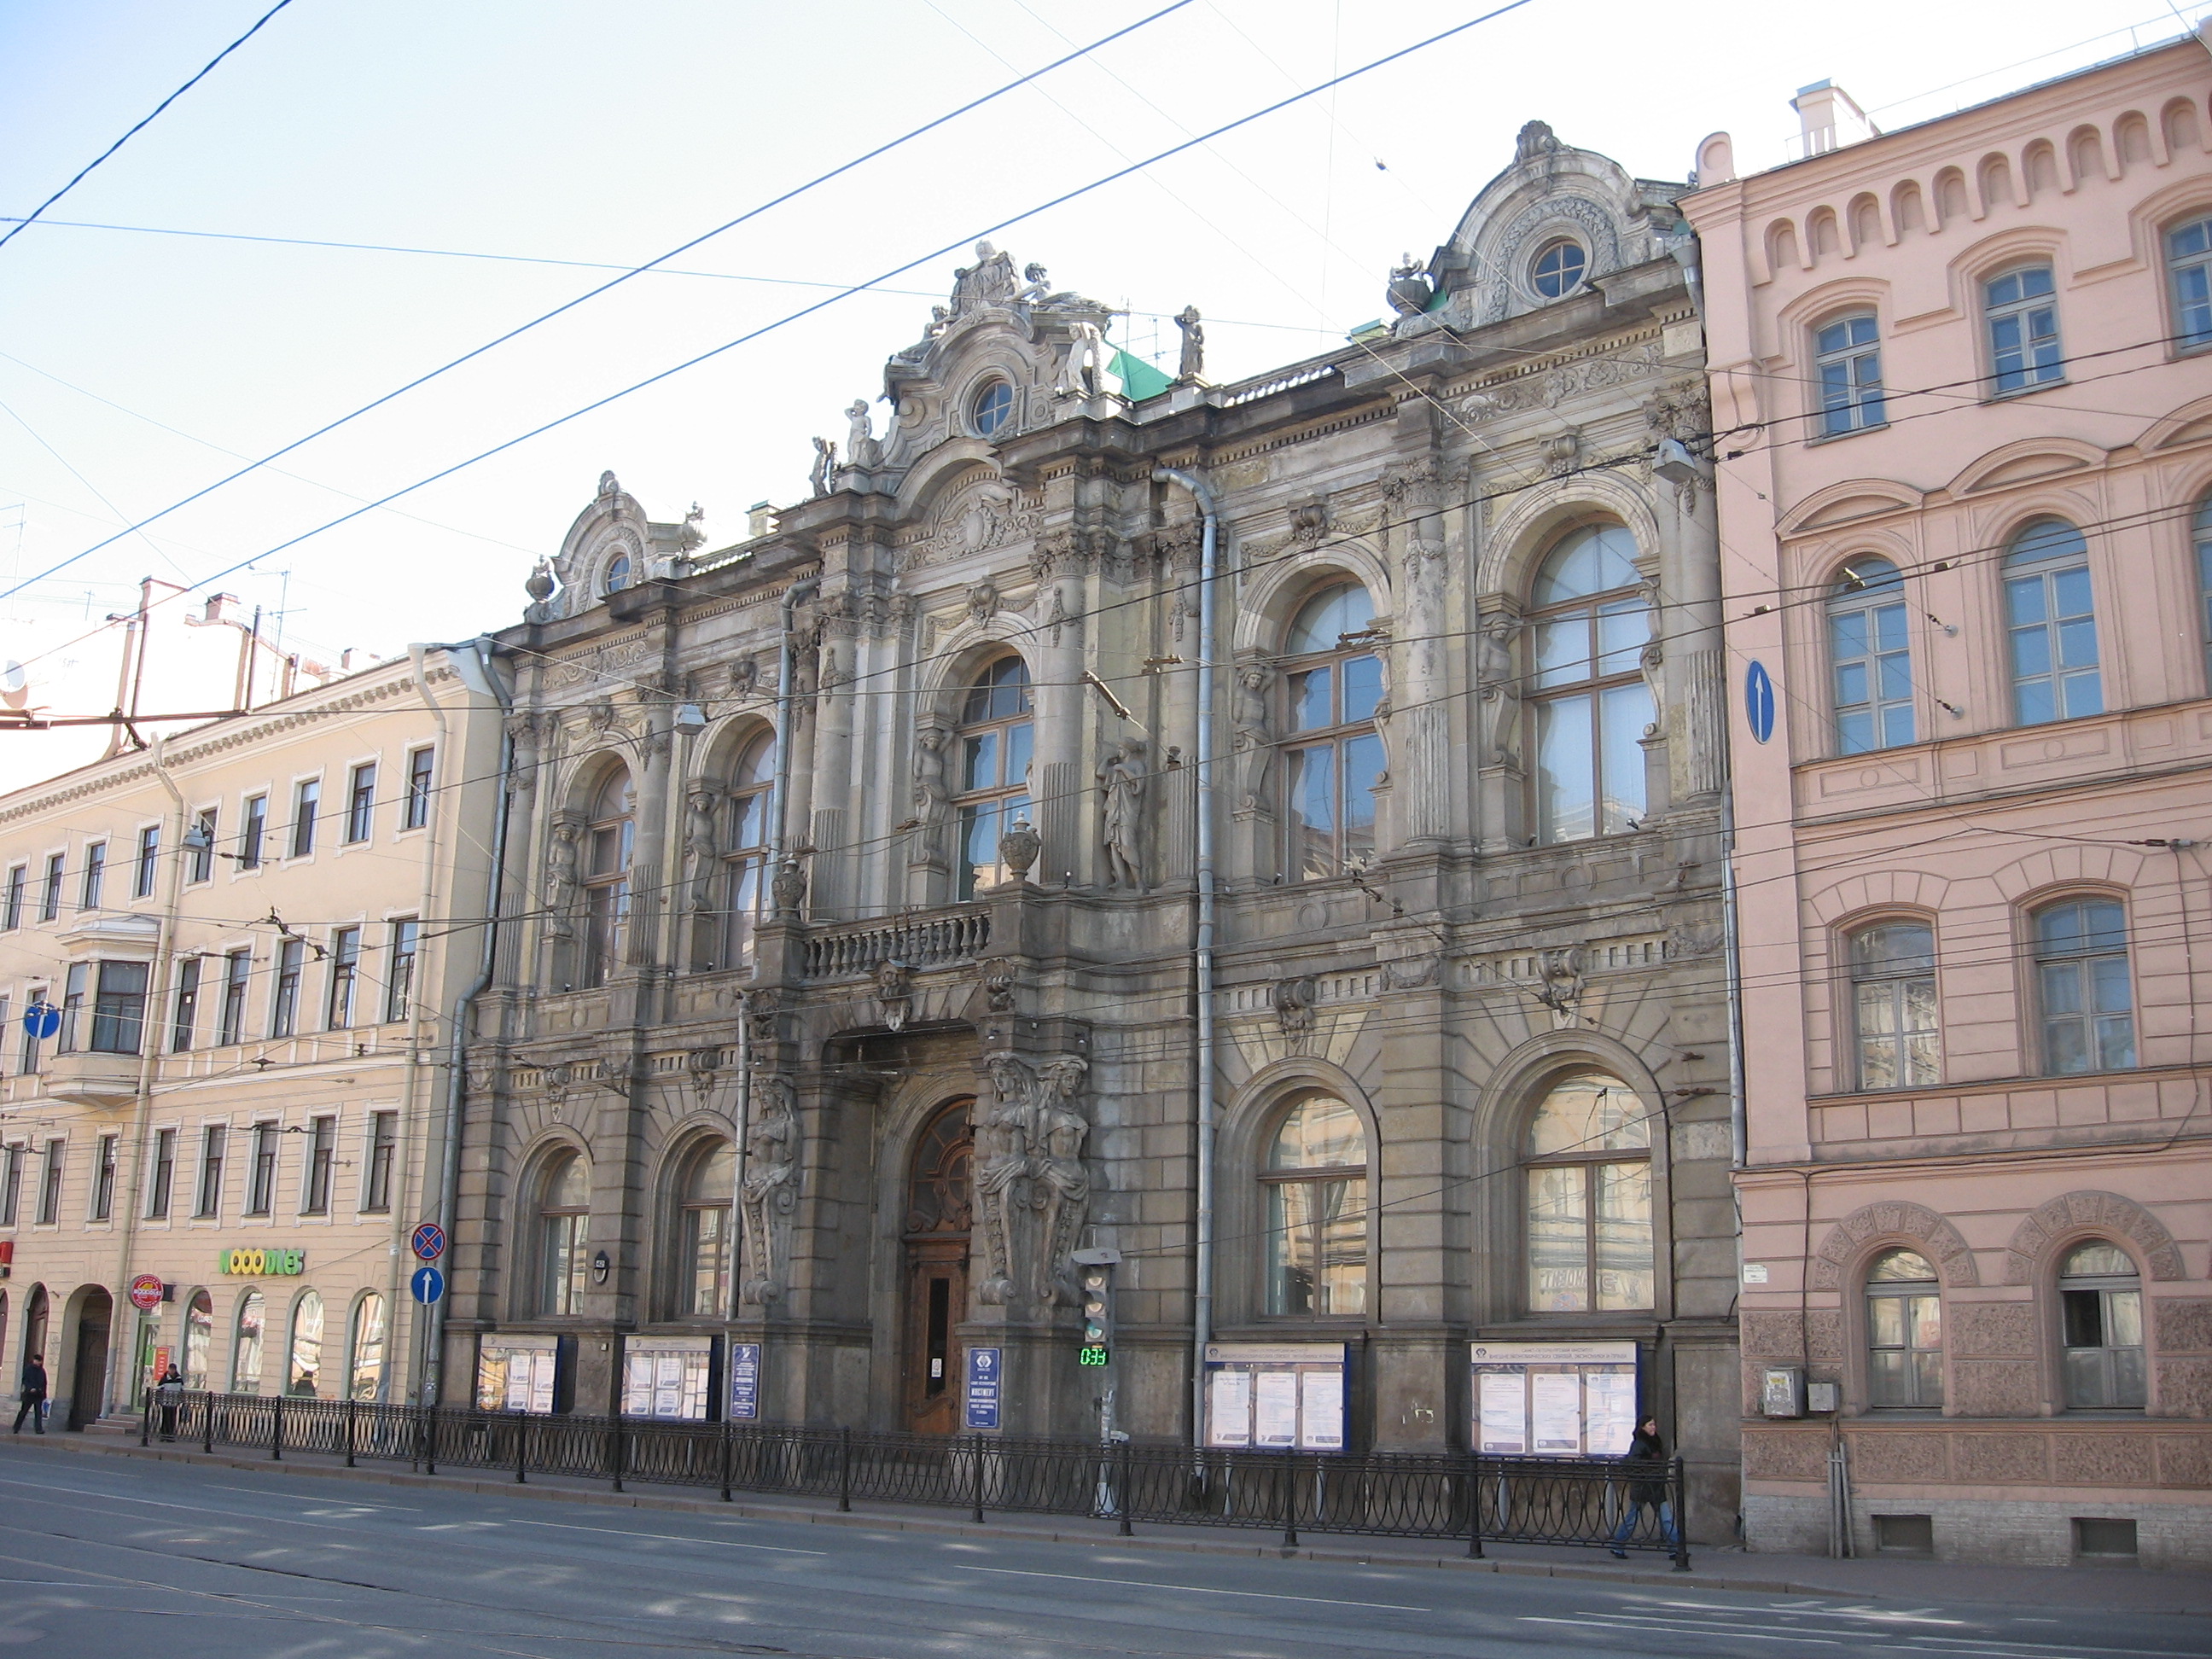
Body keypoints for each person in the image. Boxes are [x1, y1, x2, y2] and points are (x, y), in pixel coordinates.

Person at [1610, 1415, 1679, 1557]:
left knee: (1666, 1519)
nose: (1653, 1428)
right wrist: (1651, 1469)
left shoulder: (1655, 1441)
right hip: (1643, 1487)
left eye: (1654, 1425)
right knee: (1632, 1518)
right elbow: (1634, 1463)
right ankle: (1618, 1545)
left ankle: (1676, 1549)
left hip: (1656, 1487)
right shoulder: (1639, 1444)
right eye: (1650, 1425)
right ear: (1643, 1427)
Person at [12, 1356, 47, 1434]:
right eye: (37, 1361)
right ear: (34, 1361)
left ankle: (38, 1429)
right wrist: (30, 1388)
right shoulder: (29, 1369)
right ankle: (16, 1427)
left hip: (38, 1394)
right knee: (24, 1411)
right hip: (29, 1394)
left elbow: (44, 1383)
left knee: (38, 1412)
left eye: (40, 1361)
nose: (38, 1363)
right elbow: (25, 1380)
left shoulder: (42, 1371)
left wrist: (43, 1393)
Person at [154, 1365, 185, 1441]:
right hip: (165, 1401)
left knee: (172, 1418)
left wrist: (181, 1400)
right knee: (165, 1418)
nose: (171, 1371)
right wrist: (158, 1400)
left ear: (175, 1370)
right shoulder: (164, 1378)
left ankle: (170, 1435)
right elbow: (159, 1389)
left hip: (174, 1402)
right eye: (170, 1369)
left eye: (173, 1370)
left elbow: (182, 1390)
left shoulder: (179, 1379)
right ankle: (164, 1434)